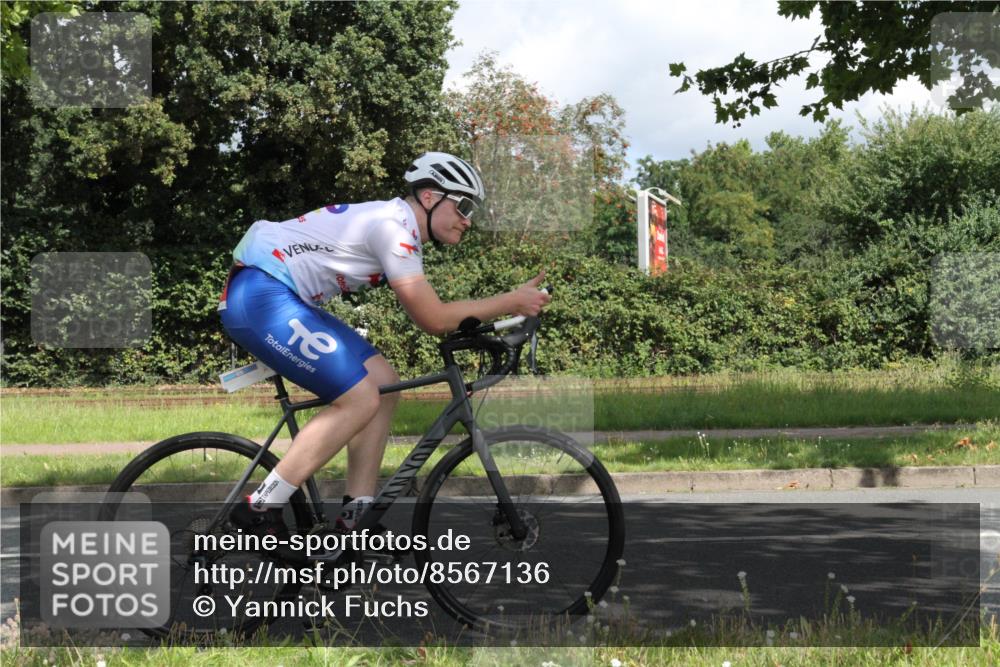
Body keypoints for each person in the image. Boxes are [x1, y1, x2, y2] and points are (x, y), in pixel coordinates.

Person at [218, 152, 550, 542]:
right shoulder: (392, 229)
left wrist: (491, 319)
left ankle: (354, 520)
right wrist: (510, 302)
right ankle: (261, 505)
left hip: (280, 296)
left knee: (383, 382)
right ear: (429, 197)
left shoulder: (399, 229)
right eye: (462, 205)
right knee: (359, 397)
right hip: (262, 295)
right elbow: (433, 318)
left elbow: (437, 316)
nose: (468, 218)